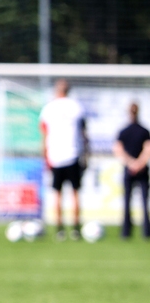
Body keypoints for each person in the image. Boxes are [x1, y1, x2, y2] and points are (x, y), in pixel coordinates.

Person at [39, 79, 88, 240]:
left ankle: (60, 229)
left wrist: (44, 154)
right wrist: (86, 154)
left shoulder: (49, 108)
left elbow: (44, 133)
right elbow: (84, 133)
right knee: (75, 193)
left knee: (57, 194)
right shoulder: (76, 107)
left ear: (57, 91)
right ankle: (75, 228)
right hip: (73, 154)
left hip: (56, 156)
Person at [113, 102, 150, 239]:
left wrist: (131, 163)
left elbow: (118, 150)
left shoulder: (124, 131)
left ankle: (126, 232)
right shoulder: (144, 131)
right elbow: (147, 149)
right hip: (141, 169)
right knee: (144, 202)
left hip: (130, 169)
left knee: (127, 201)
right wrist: (139, 163)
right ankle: (146, 231)